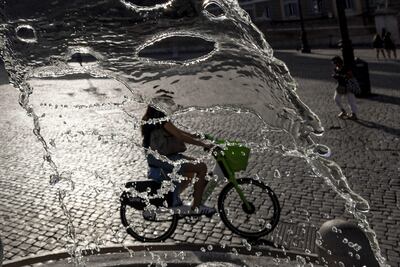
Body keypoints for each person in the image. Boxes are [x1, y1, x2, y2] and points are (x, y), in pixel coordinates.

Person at [141, 105, 216, 215]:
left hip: (158, 158)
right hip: (164, 158)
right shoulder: (161, 119)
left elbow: (176, 131)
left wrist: (194, 136)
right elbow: (179, 136)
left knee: (189, 173)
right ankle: (197, 206)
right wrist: (202, 144)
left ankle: (173, 198)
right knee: (202, 167)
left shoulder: (150, 118)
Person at [331, 56, 358, 120]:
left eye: (335, 63)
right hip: (340, 86)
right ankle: (343, 111)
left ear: (338, 62)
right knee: (336, 99)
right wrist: (335, 76)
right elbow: (336, 75)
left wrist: (341, 76)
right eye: (333, 63)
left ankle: (354, 114)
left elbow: (350, 75)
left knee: (351, 101)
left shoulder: (345, 67)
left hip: (348, 86)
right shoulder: (335, 69)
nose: (334, 64)